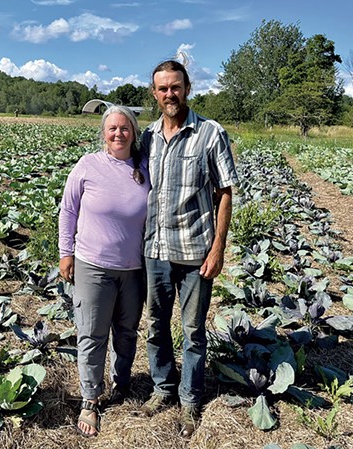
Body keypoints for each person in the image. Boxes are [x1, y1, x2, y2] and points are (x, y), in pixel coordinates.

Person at [138, 60, 238, 438]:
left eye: (175, 87)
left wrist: (218, 248)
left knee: (193, 331)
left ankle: (190, 400)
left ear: (188, 88)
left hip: (196, 250)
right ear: (154, 93)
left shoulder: (210, 134)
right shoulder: (147, 137)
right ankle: (163, 387)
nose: (169, 95)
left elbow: (225, 192)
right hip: (156, 249)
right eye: (162, 89)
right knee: (156, 325)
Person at [58, 105, 150, 438]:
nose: (118, 134)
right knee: (93, 335)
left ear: (134, 132)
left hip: (134, 269)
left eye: (125, 128)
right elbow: (68, 210)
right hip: (92, 265)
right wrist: (65, 253)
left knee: (127, 333)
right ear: (103, 133)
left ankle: (121, 384)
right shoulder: (88, 165)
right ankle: (90, 399)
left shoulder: (144, 168)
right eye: (112, 128)